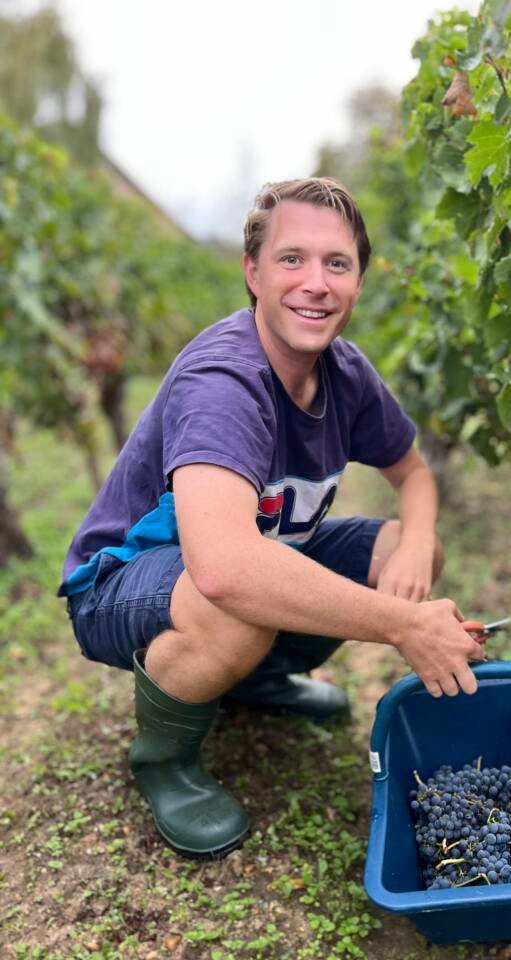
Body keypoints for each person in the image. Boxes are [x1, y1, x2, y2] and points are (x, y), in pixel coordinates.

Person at [59, 177, 485, 860]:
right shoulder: (224, 383)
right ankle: (164, 760)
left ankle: (251, 681)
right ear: (253, 274)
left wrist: (417, 547)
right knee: (236, 602)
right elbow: (225, 569)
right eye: (292, 259)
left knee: (405, 547)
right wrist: (404, 624)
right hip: (119, 582)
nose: (316, 282)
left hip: (236, 566)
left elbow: (413, 474)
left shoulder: (345, 373)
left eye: (337, 263)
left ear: (358, 282)